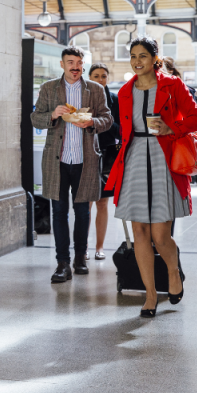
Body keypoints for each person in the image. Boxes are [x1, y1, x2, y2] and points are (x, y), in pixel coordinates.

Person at [105, 36, 197, 318]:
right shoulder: (125, 91)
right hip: (135, 158)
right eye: (133, 56)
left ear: (154, 59)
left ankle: (173, 272)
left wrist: (170, 127)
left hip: (164, 158)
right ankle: (150, 295)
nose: (137, 61)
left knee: (161, 236)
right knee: (140, 234)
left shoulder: (172, 85)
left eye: (143, 56)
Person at [31, 47, 113, 284]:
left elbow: (107, 119)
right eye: (70, 62)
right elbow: (35, 118)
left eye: (78, 62)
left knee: (83, 212)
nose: (75, 67)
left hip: (85, 159)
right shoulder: (48, 88)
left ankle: (80, 259)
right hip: (57, 161)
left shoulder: (95, 90)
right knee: (58, 212)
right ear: (62, 64)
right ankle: (62, 263)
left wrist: (91, 122)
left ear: (83, 65)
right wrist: (53, 115)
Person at [87, 63, 120, 260]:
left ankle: (99, 247)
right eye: (96, 76)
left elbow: (119, 130)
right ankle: (84, 248)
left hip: (107, 155)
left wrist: (101, 121)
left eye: (103, 76)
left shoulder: (114, 100)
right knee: (86, 202)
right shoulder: (83, 96)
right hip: (87, 152)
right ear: (90, 77)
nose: (100, 80)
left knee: (102, 202)